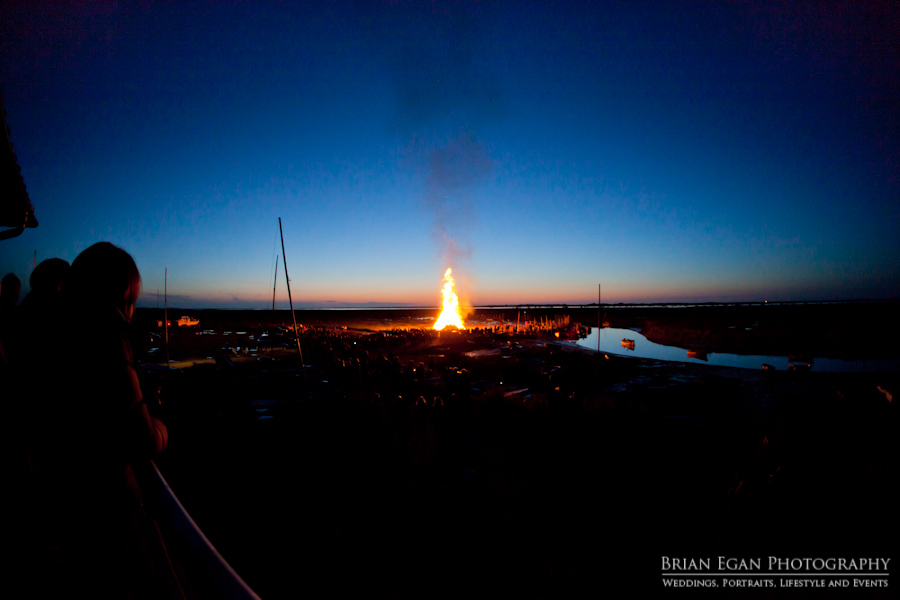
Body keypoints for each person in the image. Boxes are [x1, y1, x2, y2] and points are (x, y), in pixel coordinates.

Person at [29, 242, 167, 597]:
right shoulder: (107, 338)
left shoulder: (51, 333)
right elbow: (142, 439)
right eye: (132, 299)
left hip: (66, 497)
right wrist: (163, 428)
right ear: (121, 295)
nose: (133, 309)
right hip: (103, 507)